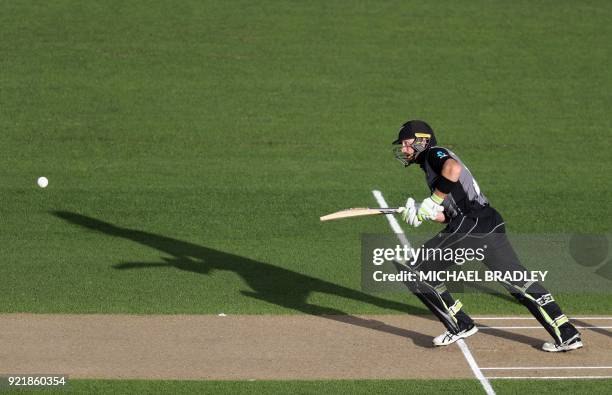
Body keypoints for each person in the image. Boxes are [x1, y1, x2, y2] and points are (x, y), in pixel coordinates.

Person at [392, 120, 583, 352]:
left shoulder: (434, 153)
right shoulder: (430, 168)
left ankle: (460, 324)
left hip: (473, 224)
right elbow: (450, 214)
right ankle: (567, 333)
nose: (403, 149)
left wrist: (432, 201)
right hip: (485, 222)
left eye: (406, 144)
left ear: (423, 140)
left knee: (416, 270)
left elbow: (453, 169)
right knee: (518, 282)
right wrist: (423, 212)